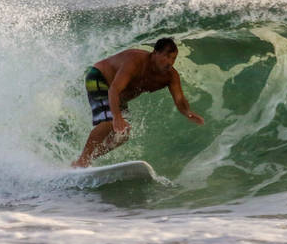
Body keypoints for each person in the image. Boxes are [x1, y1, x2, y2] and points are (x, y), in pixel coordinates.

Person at [72, 37, 204, 168]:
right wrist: (117, 117)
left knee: (122, 135)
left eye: (173, 58)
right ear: (155, 53)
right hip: (99, 77)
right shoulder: (135, 61)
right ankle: (82, 161)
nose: (169, 62)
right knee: (109, 122)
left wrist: (188, 112)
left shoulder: (170, 76)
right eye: (166, 56)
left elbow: (179, 99)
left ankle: (87, 159)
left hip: (117, 96)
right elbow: (114, 89)